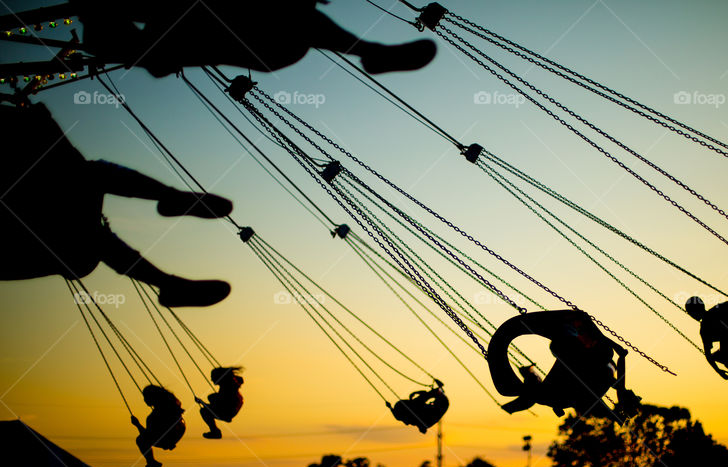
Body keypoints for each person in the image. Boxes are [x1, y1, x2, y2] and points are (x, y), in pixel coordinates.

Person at [0, 102, 232, 307]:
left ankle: (169, 279)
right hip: (38, 238)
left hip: (52, 230)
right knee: (90, 181)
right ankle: (170, 200)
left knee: (90, 189)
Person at [77, 0, 438, 78]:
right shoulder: (119, 32)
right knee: (300, 20)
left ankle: (372, 53)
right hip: (263, 45)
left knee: (299, 21)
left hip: (264, 44)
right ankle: (371, 53)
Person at [487, 310, 634, 422]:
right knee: (519, 390)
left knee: (516, 390)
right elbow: (617, 378)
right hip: (582, 356)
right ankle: (531, 376)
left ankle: (530, 376)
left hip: (577, 361)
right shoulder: (597, 365)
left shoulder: (567, 391)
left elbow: (617, 378)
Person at [132, 385, 187, 467]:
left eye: (145, 397)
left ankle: (151, 461)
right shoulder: (171, 408)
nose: (144, 400)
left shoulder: (155, 416)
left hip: (164, 438)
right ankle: (152, 461)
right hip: (175, 434)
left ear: (152, 398)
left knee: (140, 440)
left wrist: (137, 424)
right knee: (143, 438)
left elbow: (147, 435)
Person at [197, 367, 245, 439]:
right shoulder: (229, 385)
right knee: (210, 398)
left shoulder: (227, 388)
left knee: (204, 410)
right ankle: (215, 430)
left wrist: (202, 403)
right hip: (228, 410)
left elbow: (221, 404)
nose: (211, 380)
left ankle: (215, 431)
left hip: (227, 411)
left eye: (212, 377)